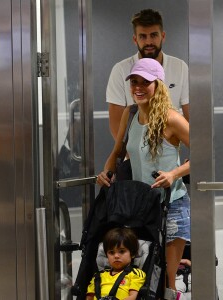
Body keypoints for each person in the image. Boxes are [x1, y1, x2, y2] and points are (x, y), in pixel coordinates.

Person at [97, 58, 190, 298]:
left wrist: (173, 174)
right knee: (141, 274)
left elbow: (205, 153)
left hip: (171, 205)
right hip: (140, 206)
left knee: (166, 281)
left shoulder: (172, 118)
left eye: (145, 82)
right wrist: (107, 172)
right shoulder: (130, 113)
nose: (138, 87)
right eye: (134, 82)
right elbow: (117, 151)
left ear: (158, 84)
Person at [106, 8, 189, 140]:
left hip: (170, 154)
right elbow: (116, 124)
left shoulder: (180, 68)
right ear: (135, 39)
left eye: (154, 35)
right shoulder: (120, 70)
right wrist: (135, 155)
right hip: (133, 155)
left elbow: (191, 119)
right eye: (143, 36)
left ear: (163, 36)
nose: (149, 42)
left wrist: (193, 158)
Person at [86, 227, 146, 300]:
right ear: (106, 255)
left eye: (121, 251)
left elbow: (133, 297)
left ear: (132, 253)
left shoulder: (135, 274)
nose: (116, 256)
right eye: (111, 252)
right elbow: (89, 297)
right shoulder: (98, 276)